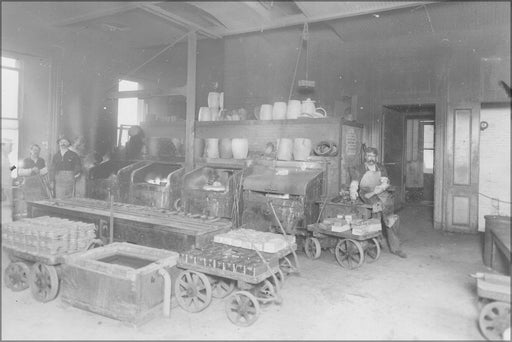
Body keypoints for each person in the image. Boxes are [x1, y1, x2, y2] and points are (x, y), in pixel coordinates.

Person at [349, 147, 407, 258]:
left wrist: (380, 188)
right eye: (369, 156)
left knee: (391, 216)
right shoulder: (359, 168)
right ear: (365, 156)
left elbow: (385, 182)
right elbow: (354, 183)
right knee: (377, 211)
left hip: (379, 191)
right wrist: (353, 193)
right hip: (366, 193)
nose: (371, 158)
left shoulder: (381, 167)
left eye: (373, 156)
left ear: (376, 157)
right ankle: (373, 245)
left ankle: (396, 248)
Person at [2, 138, 14, 224]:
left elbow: (8, 169)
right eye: (10, 146)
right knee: (5, 212)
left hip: (7, 186)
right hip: (3, 188)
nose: (11, 148)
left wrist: (14, 167)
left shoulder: (6, 157)